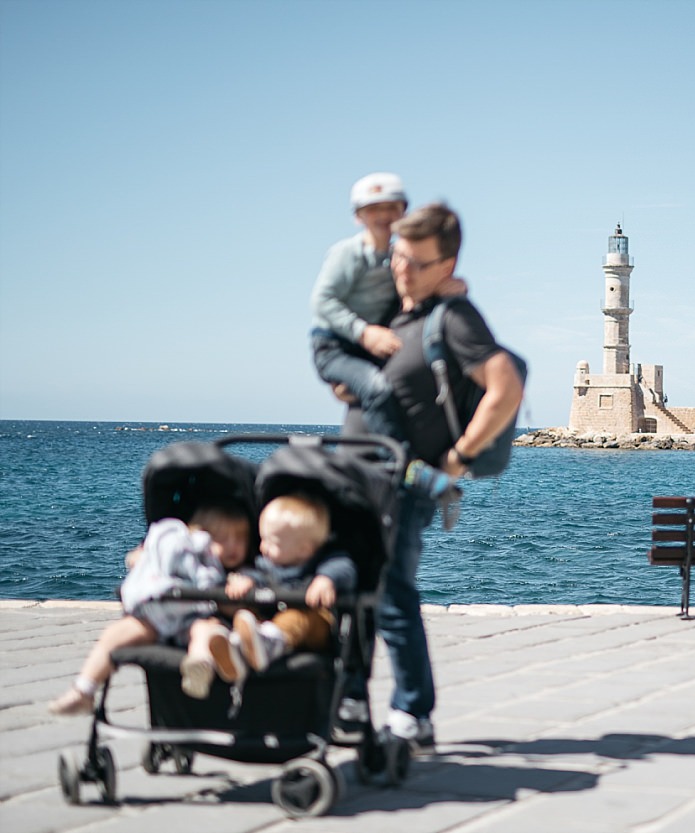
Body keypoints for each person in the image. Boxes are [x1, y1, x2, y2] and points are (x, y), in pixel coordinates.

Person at [377, 202, 524, 752]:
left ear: (446, 262)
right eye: (398, 257)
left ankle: (413, 713)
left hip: (409, 478)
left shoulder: (453, 316)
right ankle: (345, 700)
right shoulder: (397, 309)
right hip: (363, 468)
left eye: (416, 262)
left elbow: (505, 384)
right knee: (346, 584)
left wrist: (458, 458)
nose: (402, 270)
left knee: (392, 590)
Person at [48, 504, 252, 715]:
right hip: (157, 618)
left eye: (240, 539)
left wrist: (238, 590)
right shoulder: (180, 554)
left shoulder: (235, 574)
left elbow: (232, 605)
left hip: (198, 617)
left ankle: (200, 664)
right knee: (116, 633)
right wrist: (143, 559)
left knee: (207, 631)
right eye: (223, 539)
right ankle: (84, 689)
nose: (233, 546)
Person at [309, 172, 410, 440]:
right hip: (334, 347)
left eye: (391, 207)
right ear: (358, 216)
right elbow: (322, 301)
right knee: (377, 388)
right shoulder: (348, 253)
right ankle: (402, 462)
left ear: (403, 212)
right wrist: (364, 333)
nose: (383, 215)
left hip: (369, 346)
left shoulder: (399, 256)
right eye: (373, 209)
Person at [222, 493, 358, 674]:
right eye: (262, 539)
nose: (263, 547)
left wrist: (326, 579)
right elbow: (257, 574)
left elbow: (345, 568)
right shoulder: (267, 565)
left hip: (313, 621)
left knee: (295, 618)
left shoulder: (324, 562)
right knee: (245, 613)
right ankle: (239, 645)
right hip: (270, 617)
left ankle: (267, 644)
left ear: (304, 550)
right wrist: (246, 580)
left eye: (272, 542)